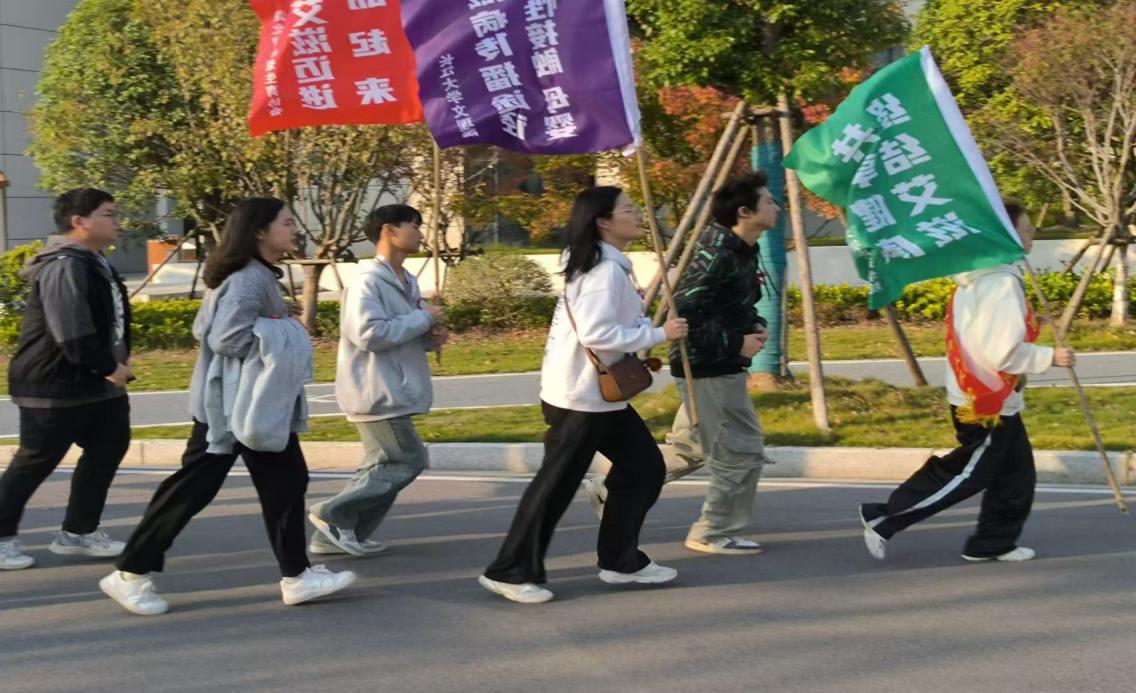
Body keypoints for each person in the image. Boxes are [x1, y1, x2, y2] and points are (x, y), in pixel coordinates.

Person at [100, 198, 355, 615]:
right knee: (196, 489)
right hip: (235, 407)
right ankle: (130, 574)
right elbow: (226, 338)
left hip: (247, 404)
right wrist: (281, 329)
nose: (294, 229)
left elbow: (218, 327)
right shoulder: (248, 278)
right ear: (259, 231)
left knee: (284, 482)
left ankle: (298, 576)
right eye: (286, 223)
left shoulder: (253, 274)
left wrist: (276, 317)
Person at [479, 186, 689, 604]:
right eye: (628, 209)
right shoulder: (603, 271)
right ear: (604, 221)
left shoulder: (606, 264)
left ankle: (621, 561)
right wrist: (658, 334)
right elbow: (596, 333)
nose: (637, 214)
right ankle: (510, 571)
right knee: (554, 487)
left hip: (598, 397)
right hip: (579, 399)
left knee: (644, 469)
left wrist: (644, 329)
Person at [858, 200, 1075, 563]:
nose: (1031, 236)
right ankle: (885, 516)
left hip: (984, 395)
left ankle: (992, 543)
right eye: (1026, 229)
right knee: (969, 473)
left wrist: (1029, 327)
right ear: (1005, 233)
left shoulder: (978, 275)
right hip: (986, 402)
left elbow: (982, 336)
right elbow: (1001, 352)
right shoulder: (1000, 283)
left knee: (1016, 475)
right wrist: (1051, 357)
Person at [584, 174, 779, 555]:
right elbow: (684, 315)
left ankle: (612, 488)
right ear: (744, 212)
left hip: (722, 362)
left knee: (692, 446)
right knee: (740, 450)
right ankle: (712, 532)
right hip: (707, 367)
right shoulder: (716, 254)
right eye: (770, 202)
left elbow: (731, 305)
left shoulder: (742, 248)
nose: (777, 208)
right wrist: (736, 342)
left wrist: (754, 326)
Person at [0, 188, 132, 570]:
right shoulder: (64, 264)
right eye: (109, 214)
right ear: (79, 221)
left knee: (109, 448)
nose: (117, 221)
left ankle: (78, 532)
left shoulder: (94, 261)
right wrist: (109, 367)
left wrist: (113, 365)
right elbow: (71, 331)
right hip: (53, 383)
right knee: (35, 461)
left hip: (96, 383)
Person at [307, 204, 446, 557]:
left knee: (380, 465)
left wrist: (431, 336)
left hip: (395, 386)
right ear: (388, 231)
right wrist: (422, 320)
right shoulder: (367, 282)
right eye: (413, 225)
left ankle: (341, 534)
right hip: (375, 388)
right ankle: (332, 515)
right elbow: (367, 333)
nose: (420, 233)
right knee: (406, 460)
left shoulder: (406, 280)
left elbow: (403, 332)